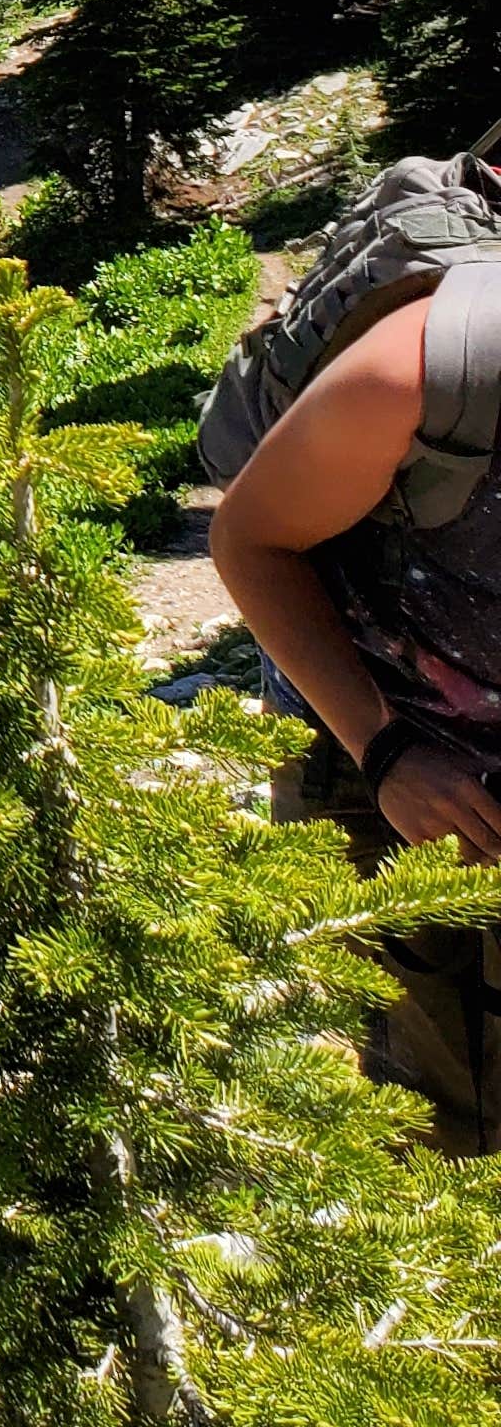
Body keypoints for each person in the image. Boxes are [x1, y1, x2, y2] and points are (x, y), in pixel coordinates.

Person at [211, 283, 501, 1149]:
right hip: (371, 732)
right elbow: (249, 542)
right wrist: (387, 754)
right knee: (439, 1091)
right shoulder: (425, 373)